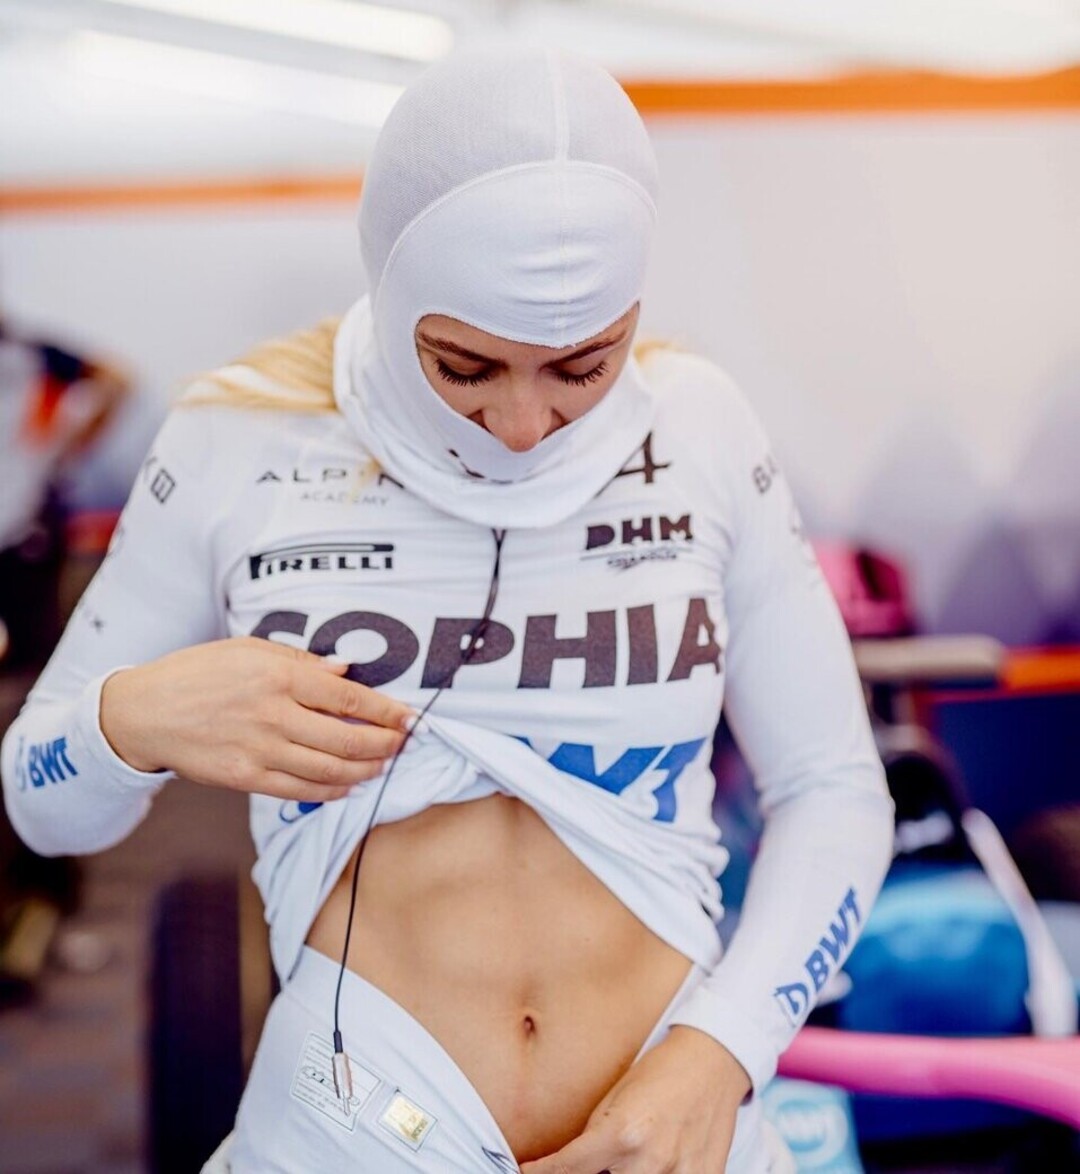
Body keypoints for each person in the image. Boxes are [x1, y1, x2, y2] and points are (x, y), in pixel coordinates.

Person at [0, 50, 894, 1173]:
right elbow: (39, 803)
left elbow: (834, 791)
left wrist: (725, 1054)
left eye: (582, 367)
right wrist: (131, 719)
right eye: (465, 366)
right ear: (391, 290)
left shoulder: (700, 428)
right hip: (351, 1128)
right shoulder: (240, 439)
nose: (522, 425)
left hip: (666, 1127)